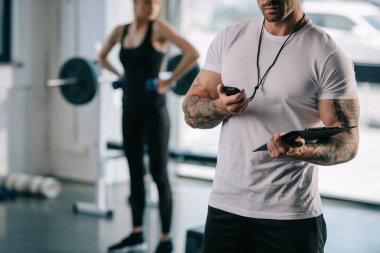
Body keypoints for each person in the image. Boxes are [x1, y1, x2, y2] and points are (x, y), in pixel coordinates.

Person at [182, 0, 360, 252]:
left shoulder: (327, 53)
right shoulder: (229, 38)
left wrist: (299, 151)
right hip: (225, 208)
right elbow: (191, 111)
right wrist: (220, 107)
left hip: (290, 216)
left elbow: (348, 142)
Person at [98, 0, 199, 252]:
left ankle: (165, 239)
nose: (152, 6)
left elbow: (192, 53)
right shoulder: (121, 31)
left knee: (159, 173)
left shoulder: (159, 28)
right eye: (147, 1)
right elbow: (101, 56)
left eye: (157, 2)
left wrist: (170, 81)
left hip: (155, 112)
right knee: (134, 172)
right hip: (129, 109)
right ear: (135, 3)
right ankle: (136, 234)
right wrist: (120, 75)